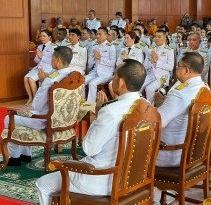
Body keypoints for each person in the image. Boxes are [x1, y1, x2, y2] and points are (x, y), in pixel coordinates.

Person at [36, 59, 147, 205]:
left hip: (101, 179)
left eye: (114, 76)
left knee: (43, 183)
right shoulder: (147, 106)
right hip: (133, 178)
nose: (112, 79)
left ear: (120, 83)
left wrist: (97, 115)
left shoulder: (111, 111)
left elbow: (89, 149)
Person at [4, 47, 73, 166]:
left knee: (8, 118)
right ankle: (26, 155)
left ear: (58, 60)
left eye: (52, 58)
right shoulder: (73, 76)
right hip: (63, 119)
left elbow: (37, 105)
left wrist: (42, 83)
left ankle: (14, 157)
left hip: (44, 120)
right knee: (24, 116)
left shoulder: (50, 81)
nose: (50, 61)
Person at [153, 52, 207, 166]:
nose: (176, 70)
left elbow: (156, 123)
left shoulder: (179, 94)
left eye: (178, 66)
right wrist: (163, 105)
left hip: (170, 154)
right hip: (194, 154)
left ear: (186, 70)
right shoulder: (204, 90)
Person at [141, 30, 174, 104]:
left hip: (162, 77)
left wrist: (157, 62)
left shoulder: (169, 50)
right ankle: (142, 106)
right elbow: (145, 66)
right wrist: (151, 62)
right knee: (137, 87)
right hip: (151, 75)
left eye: (159, 37)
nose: (156, 38)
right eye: (155, 36)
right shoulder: (150, 49)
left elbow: (170, 67)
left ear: (165, 39)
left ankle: (151, 109)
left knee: (149, 89)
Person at [84, 27, 117, 102]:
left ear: (106, 36)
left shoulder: (111, 47)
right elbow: (89, 62)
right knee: (82, 82)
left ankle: (90, 106)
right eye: (97, 34)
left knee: (92, 83)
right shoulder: (95, 46)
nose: (97, 36)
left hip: (106, 73)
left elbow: (112, 63)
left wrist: (100, 58)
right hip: (95, 72)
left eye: (100, 34)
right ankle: (82, 101)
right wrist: (95, 58)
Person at [24, 30, 57, 106]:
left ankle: (36, 100)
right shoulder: (40, 46)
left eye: (44, 36)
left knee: (31, 79)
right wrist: (38, 56)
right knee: (26, 78)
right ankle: (30, 98)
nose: (42, 38)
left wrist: (42, 57)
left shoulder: (53, 47)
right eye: (41, 36)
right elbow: (36, 60)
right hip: (39, 66)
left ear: (49, 37)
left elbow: (53, 61)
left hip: (48, 68)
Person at [109, 31, 144, 99]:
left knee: (120, 85)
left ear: (133, 39)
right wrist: (123, 60)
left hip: (133, 74)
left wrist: (127, 59)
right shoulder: (123, 49)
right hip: (123, 73)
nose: (125, 40)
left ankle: (120, 101)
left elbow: (139, 64)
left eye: (127, 38)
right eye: (125, 38)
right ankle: (117, 102)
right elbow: (117, 63)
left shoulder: (138, 50)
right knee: (111, 84)